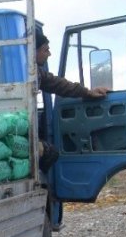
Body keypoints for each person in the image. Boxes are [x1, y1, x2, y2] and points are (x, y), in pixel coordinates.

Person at [34, 26, 109, 172]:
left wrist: (87, 92)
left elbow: (59, 84)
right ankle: (42, 189)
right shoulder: (24, 71)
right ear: (34, 51)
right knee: (50, 153)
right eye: (45, 49)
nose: (49, 54)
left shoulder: (36, 72)